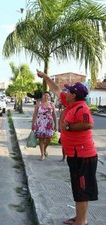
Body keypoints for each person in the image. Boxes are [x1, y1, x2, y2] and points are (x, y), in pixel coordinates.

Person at [37, 70, 97, 225]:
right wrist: (45, 77)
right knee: (78, 188)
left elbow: (88, 123)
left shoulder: (81, 108)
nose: (65, 92)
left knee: (82, 189)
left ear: (74, 95)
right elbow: (56, 89)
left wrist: (68, 127)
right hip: (75, 155)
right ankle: (79, 218)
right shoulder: (69, 102)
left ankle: (82, 221)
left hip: (83, 155)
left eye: (69, 90)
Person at [31, 91, 57, 160]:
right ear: (42, 96)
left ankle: (44, 149)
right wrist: (33, 124)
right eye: (45, 95)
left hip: (49, 123)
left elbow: (54, 115)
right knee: (41, 138)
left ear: (49, 97)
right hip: (40, 123)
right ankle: (42, 154)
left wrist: (56, 125)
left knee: (49, 138)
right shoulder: (39, 104)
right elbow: (34, 114)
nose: (46, 97)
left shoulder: (52, 104)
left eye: (47, 96)